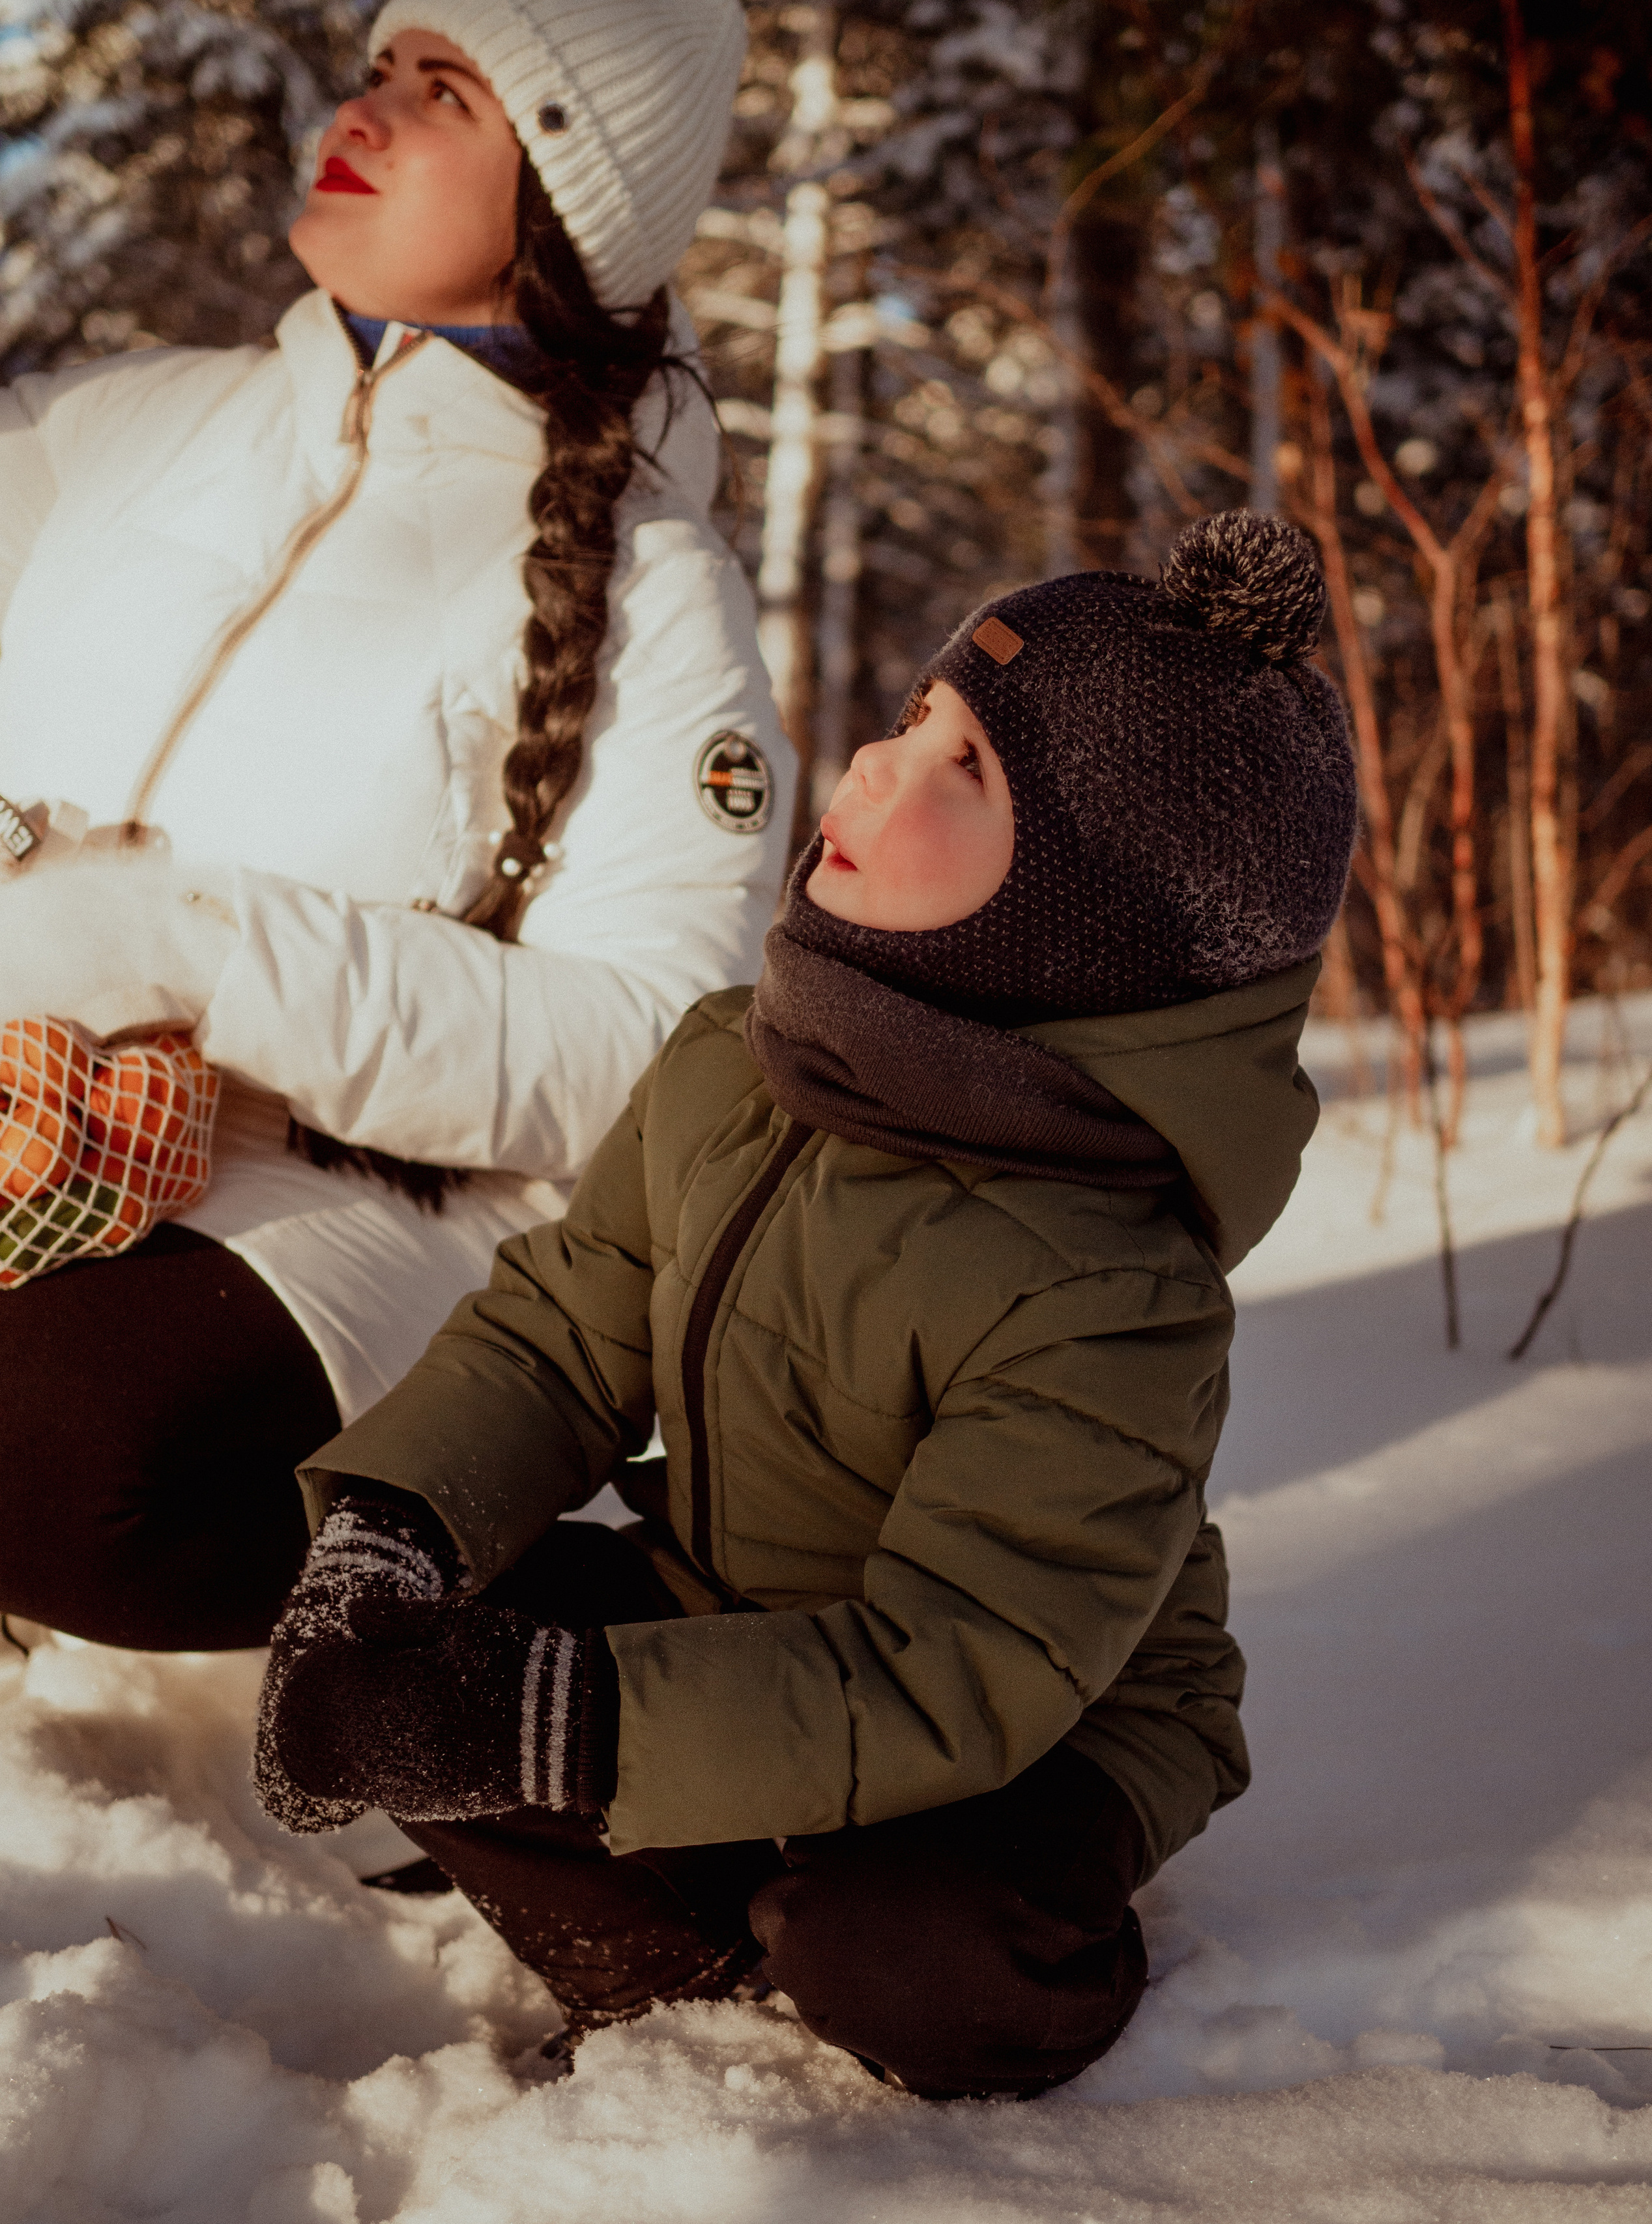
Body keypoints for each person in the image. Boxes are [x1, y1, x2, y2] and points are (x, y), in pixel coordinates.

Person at [252, 511, 1360, 2100]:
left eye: (965, 770)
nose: (872, 765)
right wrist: (390, 1534)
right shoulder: (736, 1058)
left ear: (1086, 912)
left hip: (1026, 1730)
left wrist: (564, 1726)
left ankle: (947, 1952)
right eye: (915, 714)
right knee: (420, 1659)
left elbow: (958, 1666)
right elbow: (563, 1334)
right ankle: (682, 1977)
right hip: (738, 1614)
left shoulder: (1107, 1283)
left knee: (906, 1954)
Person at [0, 0, 796, 1654]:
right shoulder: (124, 425)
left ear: (568, 198)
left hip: (360, 1212)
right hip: (36, 1128)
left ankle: (521, 1621)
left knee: (56, 1461)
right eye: (379, 70)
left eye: (444, 94)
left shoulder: (658, 593)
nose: (361, 112)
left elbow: (651, 1054)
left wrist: (178, 944)